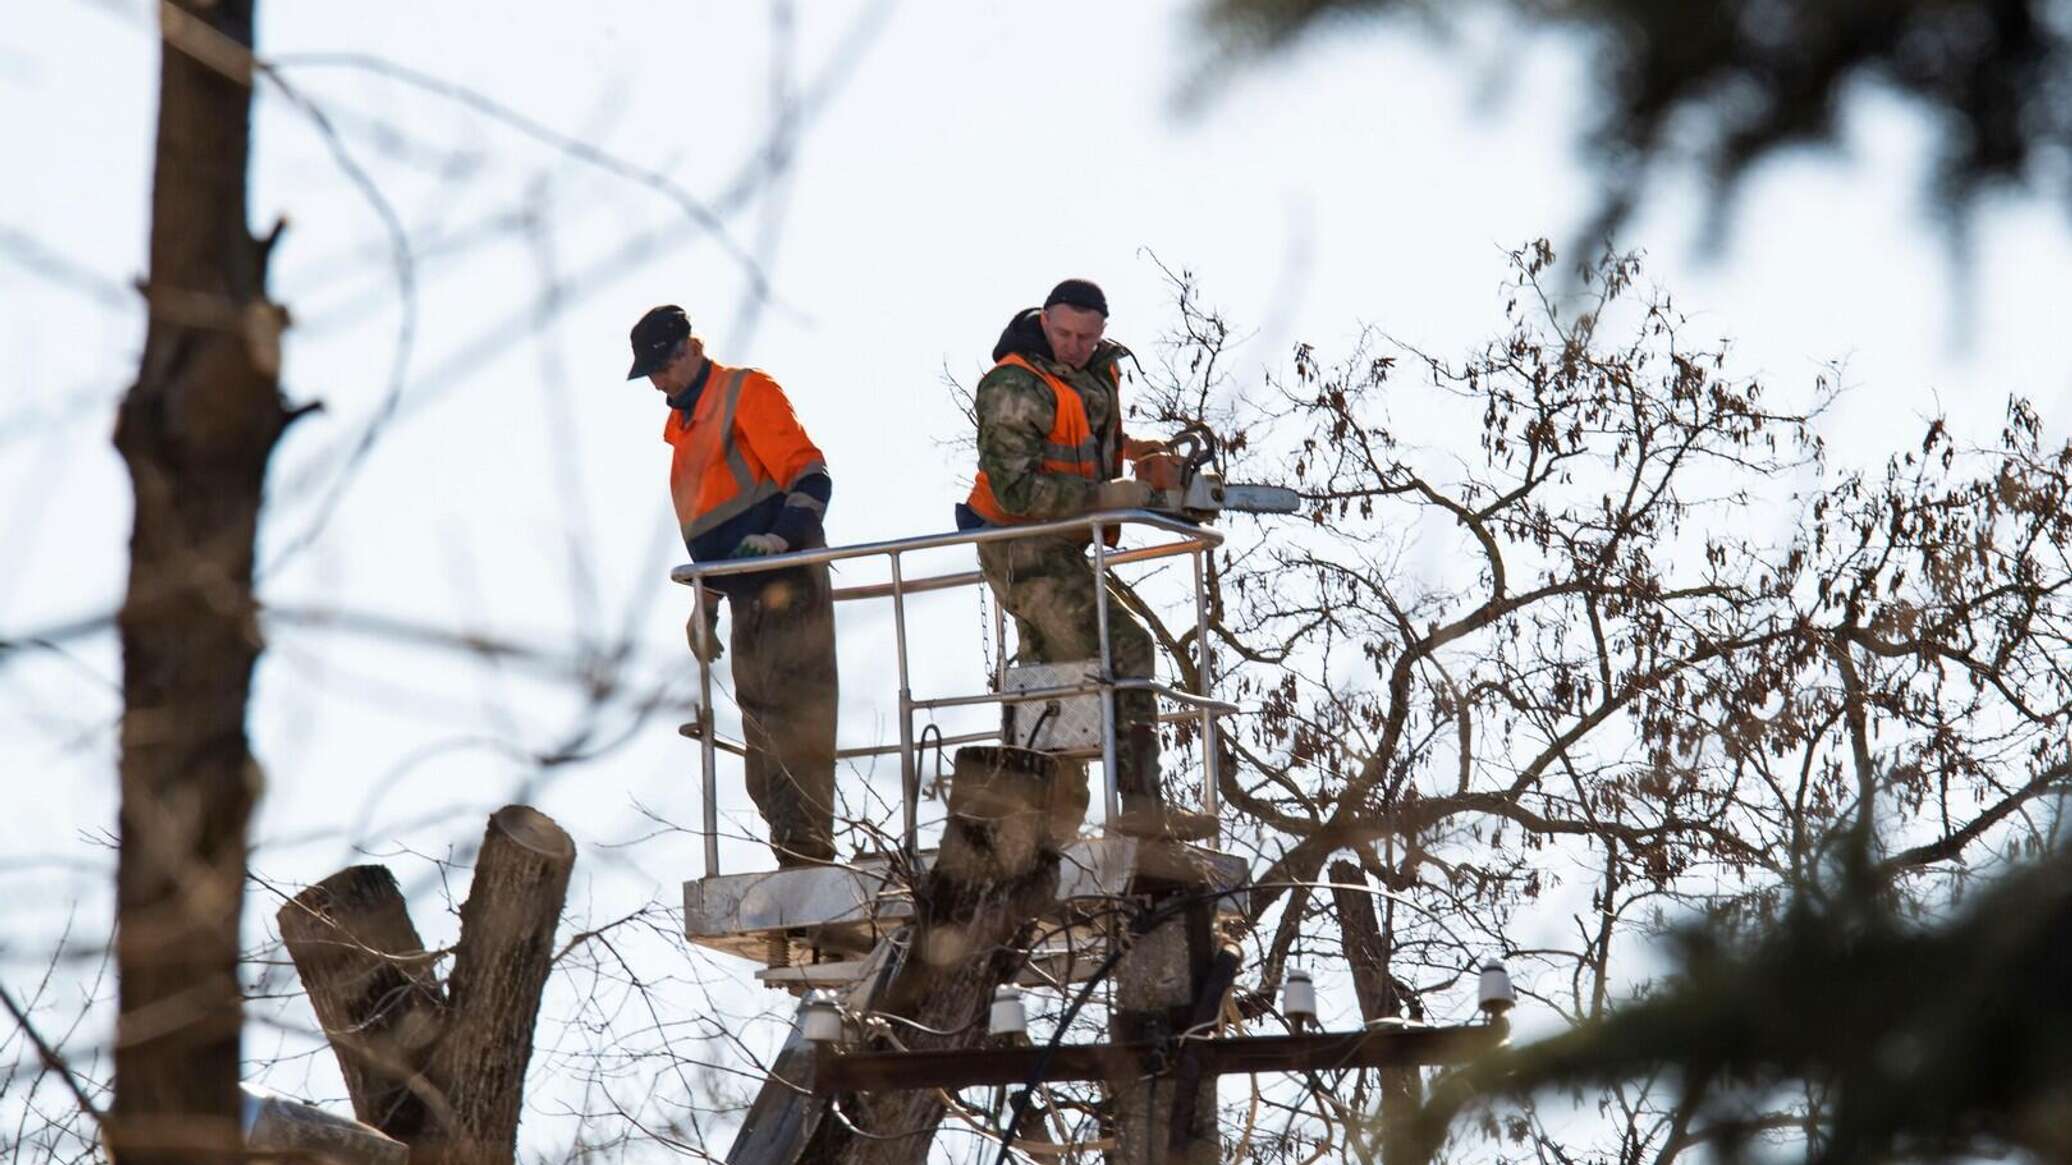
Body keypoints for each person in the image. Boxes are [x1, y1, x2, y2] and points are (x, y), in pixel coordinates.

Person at [960, 279, 1191, 835]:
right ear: (1045, 322)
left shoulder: (1089, 374)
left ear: (1102, 332)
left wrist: (1139, 454)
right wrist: (1110, 498)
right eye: (1063, 333)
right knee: (1126, 647)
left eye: (1087, 337)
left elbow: (1086, 443)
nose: (1074, 345)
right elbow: (1017, 491)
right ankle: (1142, 810)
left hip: (1061, 547)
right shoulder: (1015, 385)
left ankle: (1044, 828)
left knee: (1054, 683)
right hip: (1020, 547)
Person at [628, 304, 838, 867]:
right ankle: (792, 849)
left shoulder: (744, 393)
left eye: (665, 367)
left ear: (692, 350)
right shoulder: (683, 442)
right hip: (746, 598)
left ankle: (808, 849)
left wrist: (783, 538)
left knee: (796, 716)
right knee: (761, 733)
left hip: (790, 585)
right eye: (651, 373)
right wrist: (706, 608)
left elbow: (811, 476)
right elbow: (714, 547)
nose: (660, 381)